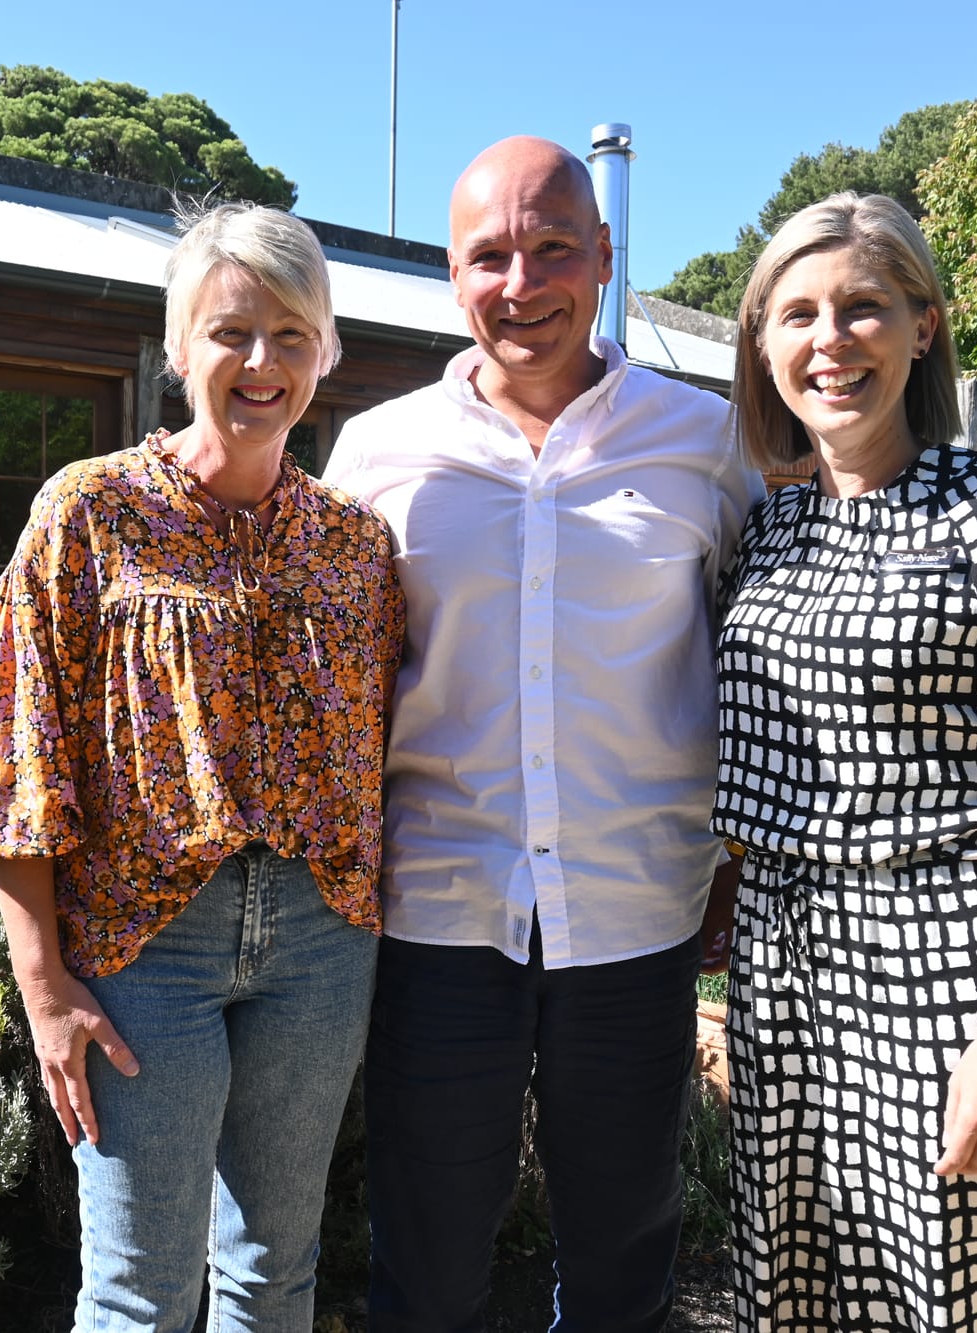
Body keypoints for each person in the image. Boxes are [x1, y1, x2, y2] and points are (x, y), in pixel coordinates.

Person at [0, 202, 404, 1332]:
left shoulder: (355, 544)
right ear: (178, 345)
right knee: (138, 1287)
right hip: (145, 947)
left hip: (321, 944)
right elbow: (11, 754)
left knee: (276, 1272)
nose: (260, 362)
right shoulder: (88, 513)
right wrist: (43, 989)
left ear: (324, 352)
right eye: (231, 331)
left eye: (291, 335)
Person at [324, 136, 761, 1331]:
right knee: (426, 1260)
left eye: (553, 248)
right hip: (437, 914)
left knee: (622, 1259)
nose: (522, 284)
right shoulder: (374, 454)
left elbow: (764, 650)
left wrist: (739, 851)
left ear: (604, 257)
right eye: (489, 256)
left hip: (635, 912)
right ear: (451, 277)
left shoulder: (708, 443)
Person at [713, 192, 977, 1331]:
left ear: (923, 324)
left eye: (861, 308)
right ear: (760, 344)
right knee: (802, 1295)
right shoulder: (767, 528)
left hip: (949, 973)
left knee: (968, 1299)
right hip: (783, 979)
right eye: (793, 315)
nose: (827, 340)